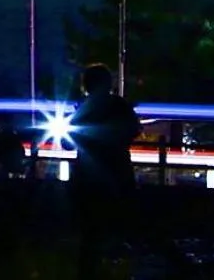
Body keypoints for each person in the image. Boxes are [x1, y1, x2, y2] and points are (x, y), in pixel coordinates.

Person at [69, 64, 140, 280]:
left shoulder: (84, 108)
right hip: (116, 173)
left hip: (88, 178)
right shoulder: (119, 106)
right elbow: (134, 130)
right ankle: (117, 269)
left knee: (90, 234)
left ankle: (90, 271)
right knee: (117, 228)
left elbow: (67, 142)